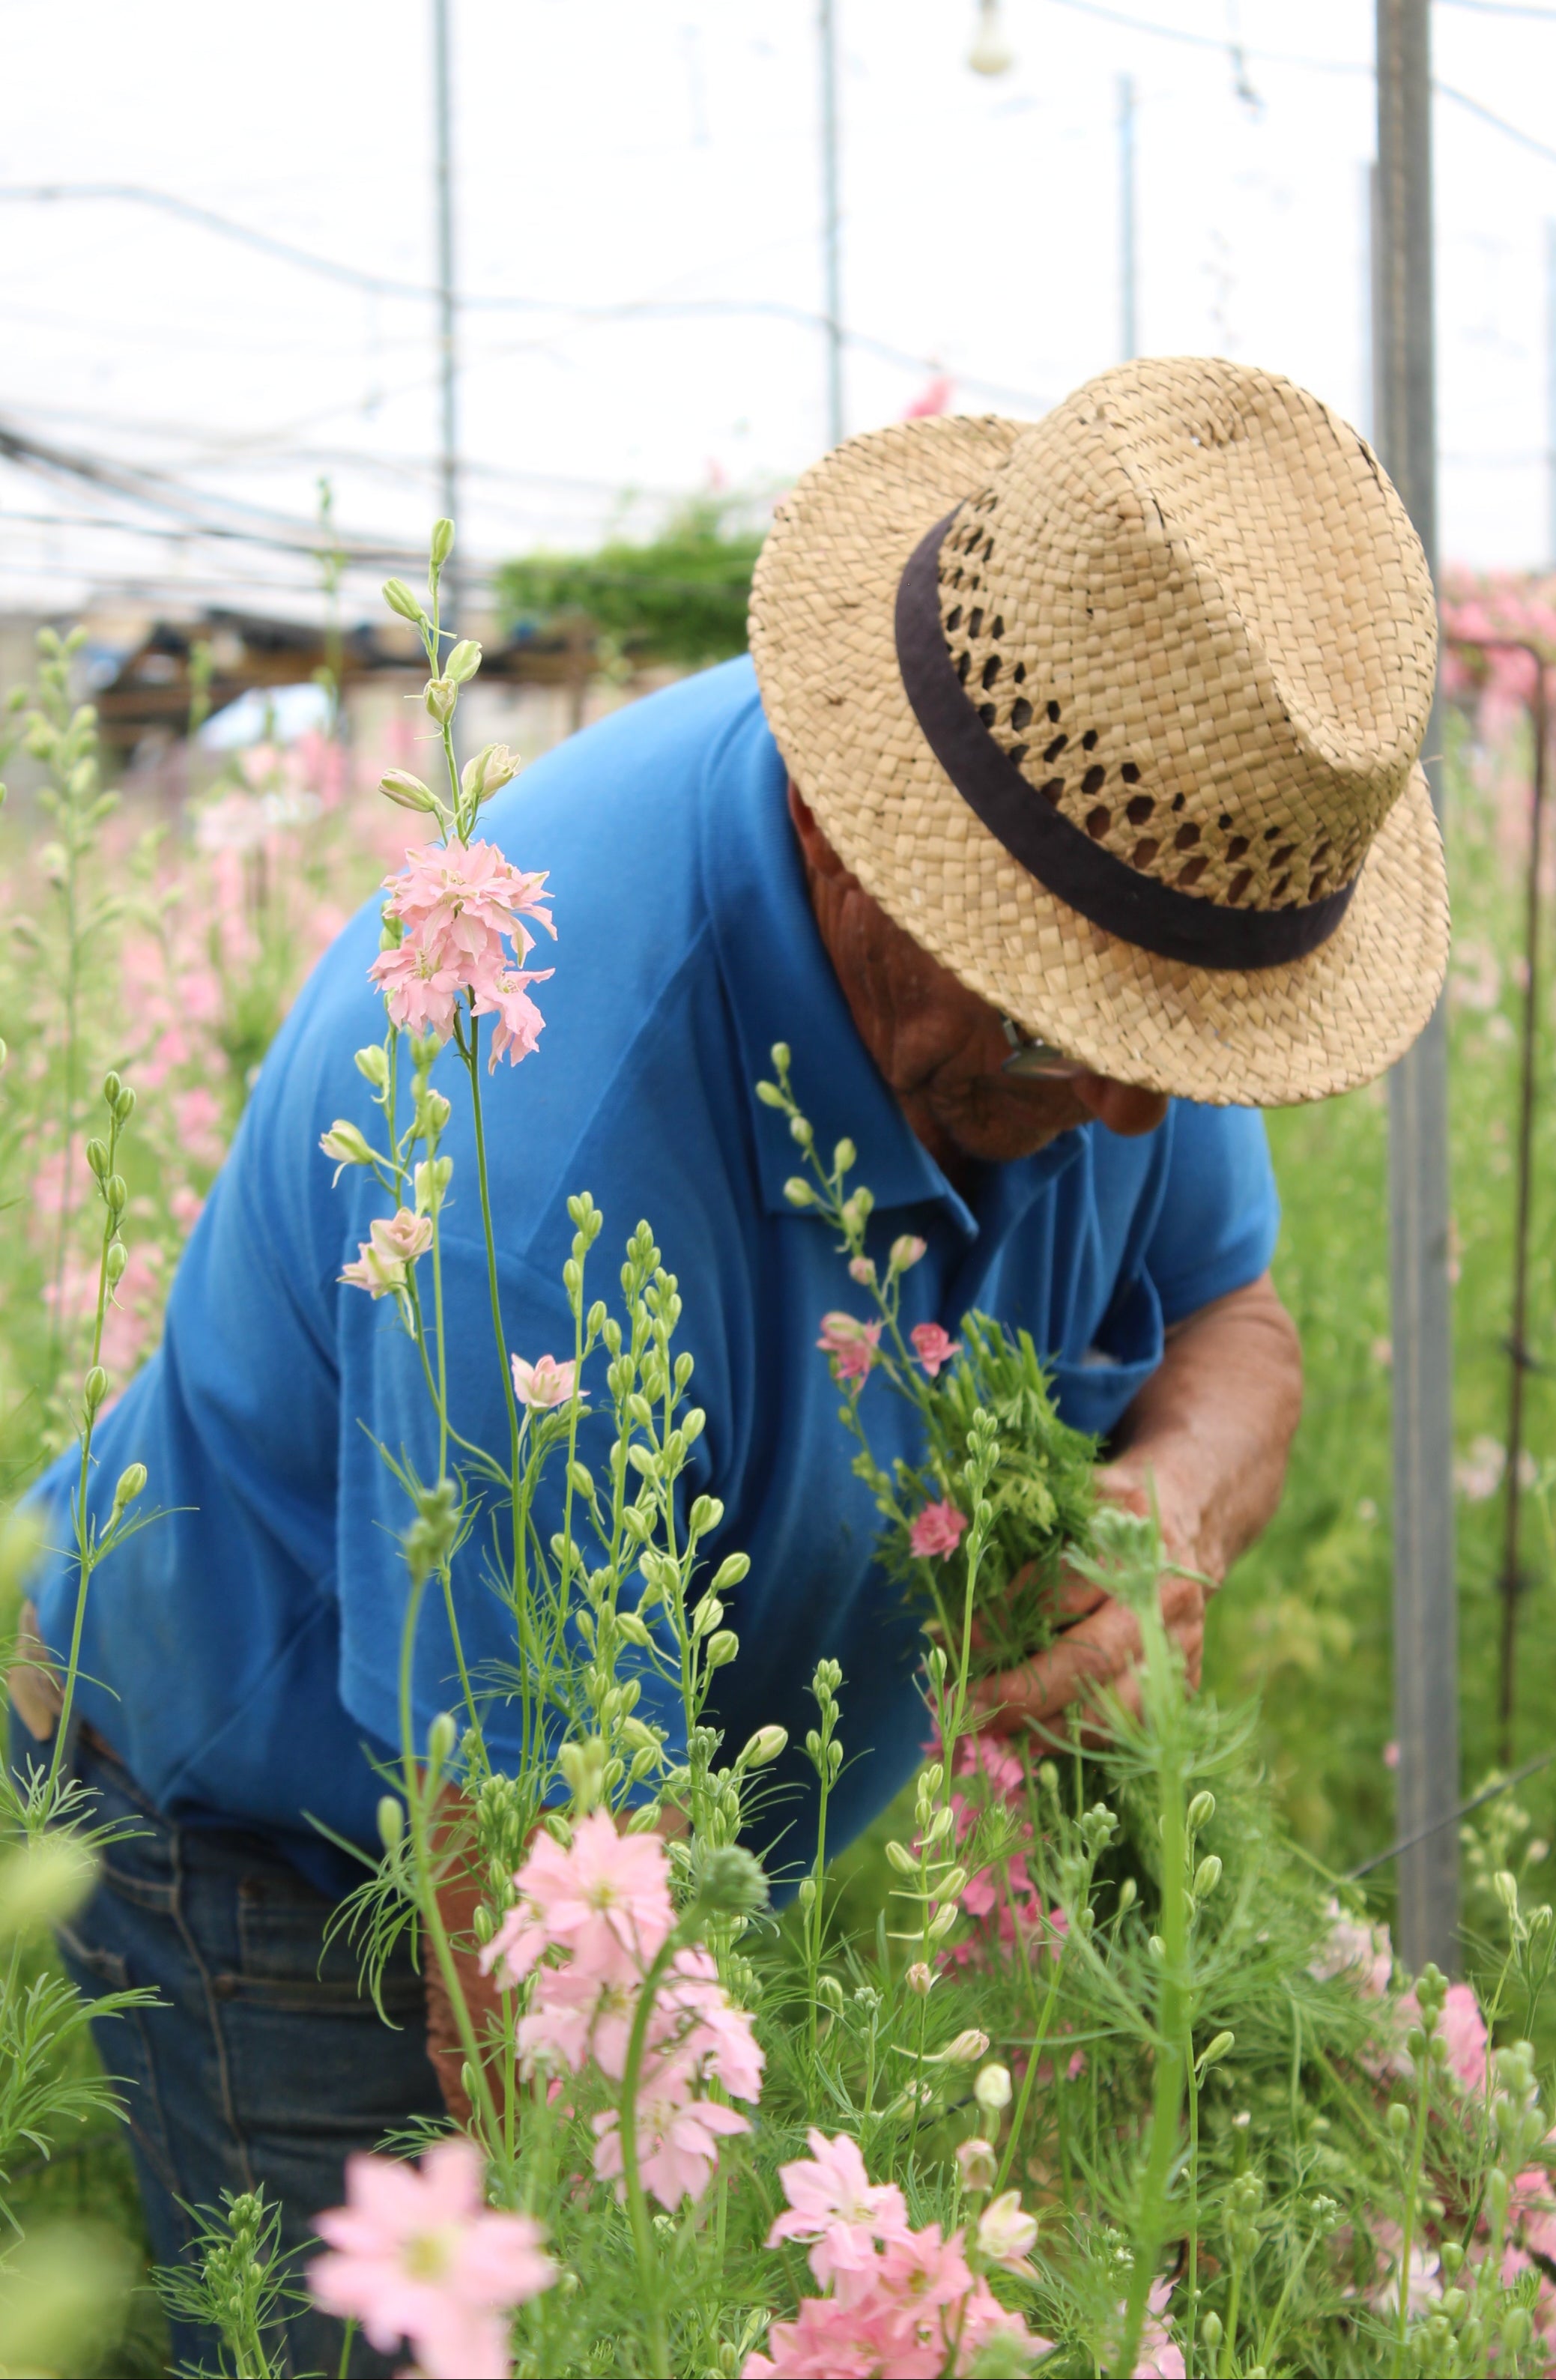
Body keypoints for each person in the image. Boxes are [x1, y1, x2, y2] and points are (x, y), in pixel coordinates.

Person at [11, 357, 1446, 2376]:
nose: (1136, 1111)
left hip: (666, 1839)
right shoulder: (529, 1137)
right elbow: (512, 1950)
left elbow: (1234, 1318)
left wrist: (1168, 1502)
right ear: (865, 836)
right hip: (285, 1823)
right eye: (1069, 1032)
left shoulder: (1118, 887)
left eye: (1178, 1043)